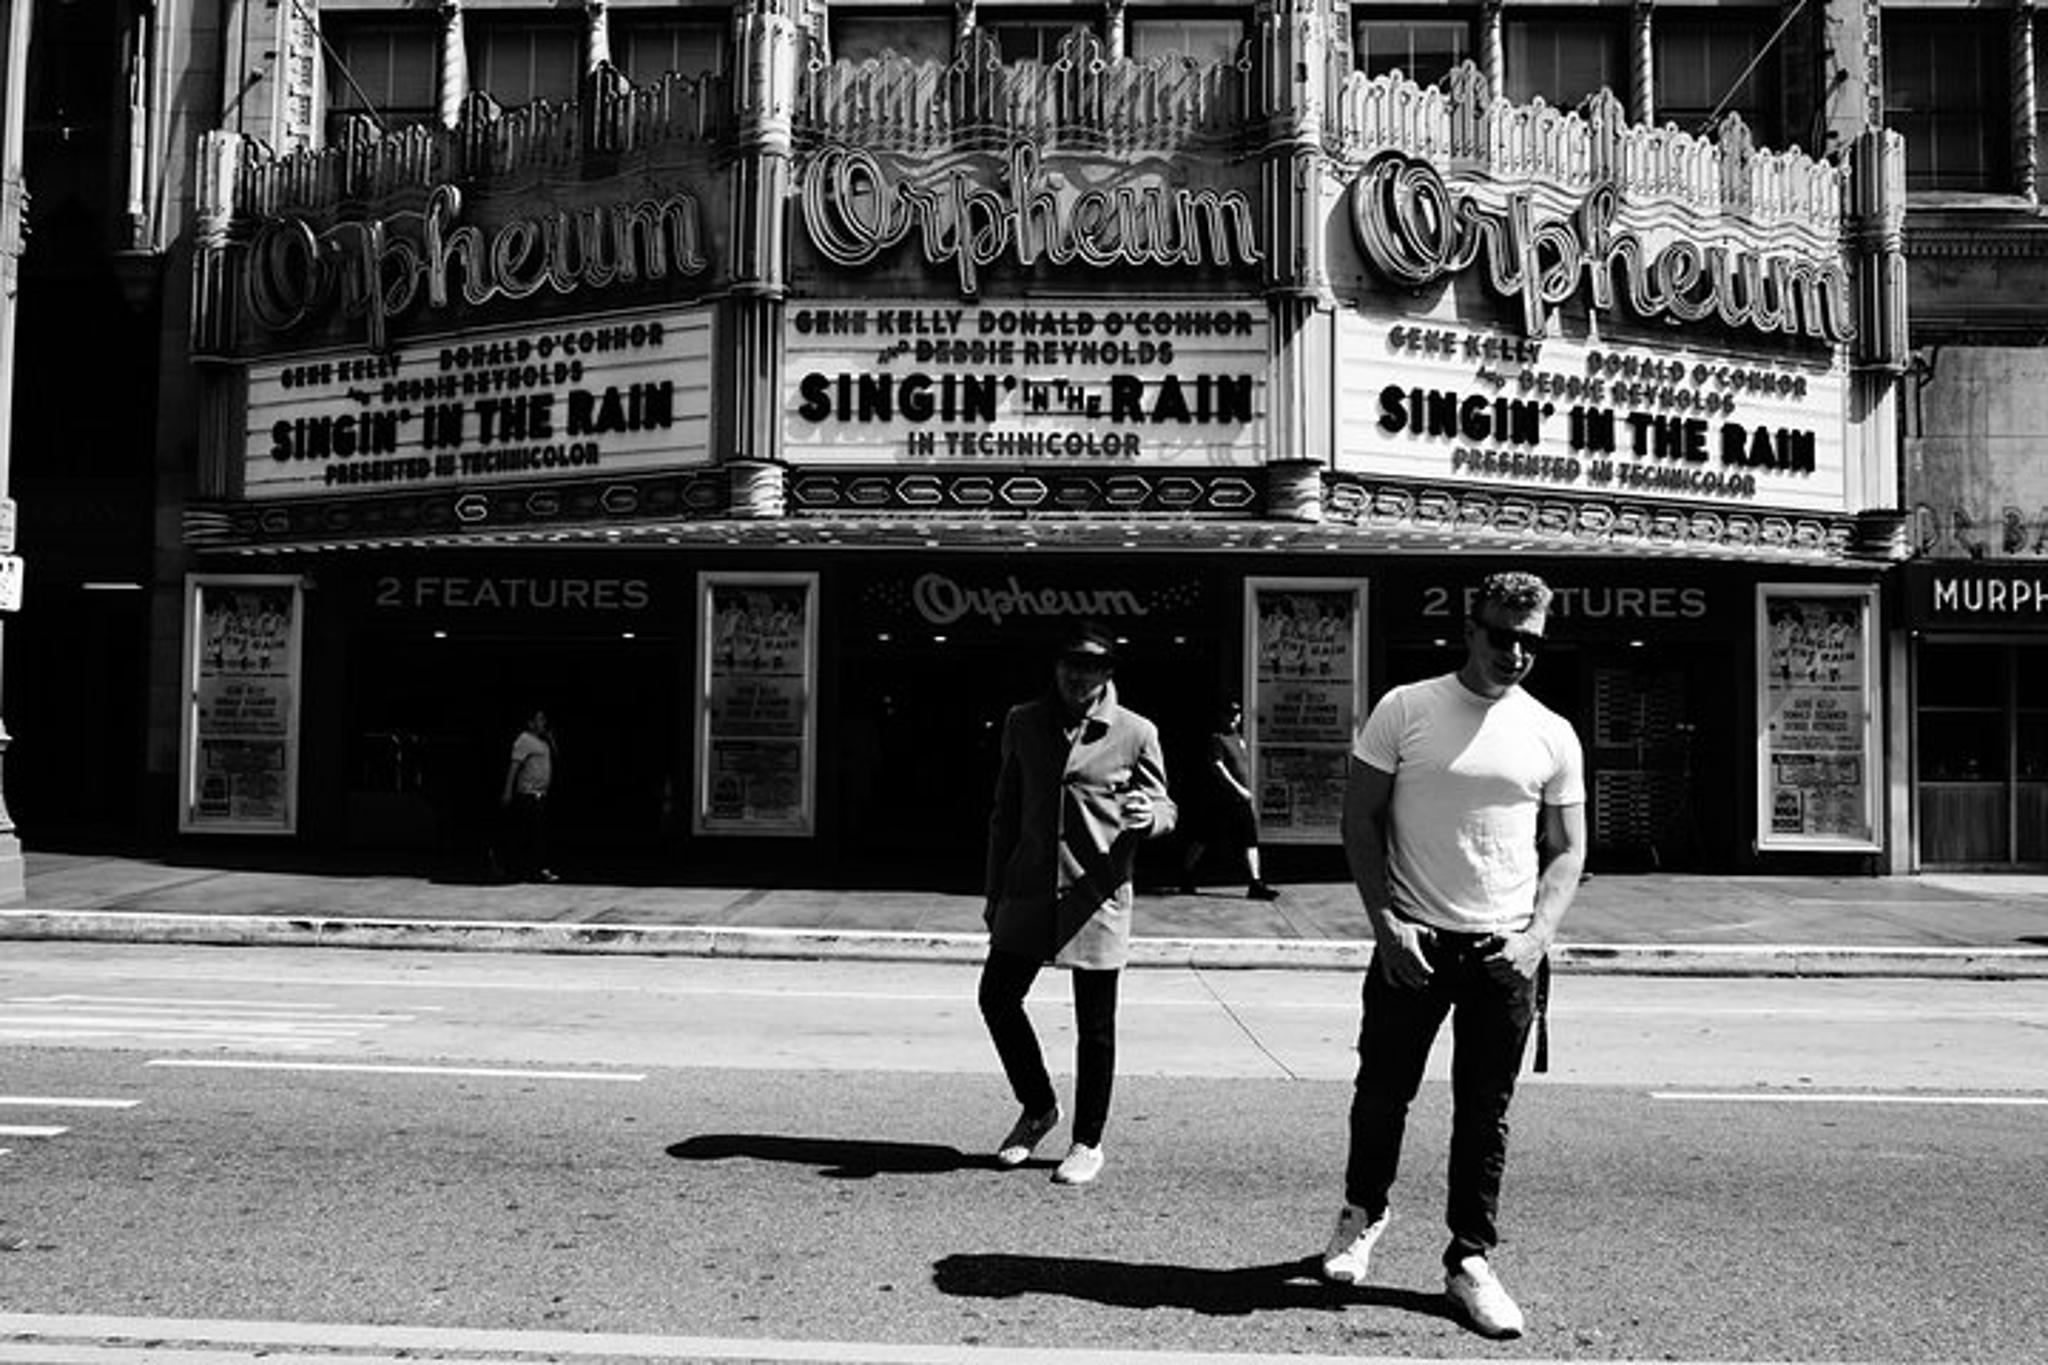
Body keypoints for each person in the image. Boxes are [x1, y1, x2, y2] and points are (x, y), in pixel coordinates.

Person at [1318, 571, 1586, 1339]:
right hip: (1414, 941)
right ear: (1470, 630)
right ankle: (1362, 1212)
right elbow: (1359, 820)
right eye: (1502, 635)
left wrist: (1536, 939)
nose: (1515, 652)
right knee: (1382, 1094)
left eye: (1530, 641)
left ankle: (1469, 1258)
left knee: (1484, 1113)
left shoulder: (1551, 731)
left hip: (1505, 952)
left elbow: (1568, 849)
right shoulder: (1407, 708)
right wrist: (1385, 923)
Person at [979, 621, 1176, 1187]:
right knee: (996, 998)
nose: (1076, 675)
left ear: (1107, 673)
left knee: (1095, 1026)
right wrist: (994, 893)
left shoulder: (1136, 732)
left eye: (1089, 666)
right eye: (1069, 663)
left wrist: (1150, 816)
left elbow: (1166, 805)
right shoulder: (1022, 722)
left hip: (1095, 895)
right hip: (1028, 890)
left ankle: (1088, 1140)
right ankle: (1039, 1106)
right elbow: (1005, 814)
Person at [1178, 699, 1278, 900]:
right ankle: (1185, 875)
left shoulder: (1239, 738)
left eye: (1236, 715)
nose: (1233, 719)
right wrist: (1238, 789)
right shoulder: (1217, 738)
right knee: (1203, 837)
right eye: (1229, 715)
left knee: (1250, 839)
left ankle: (1255, 883)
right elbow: (1218, 767)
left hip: (1241, 800)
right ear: (1222, 716)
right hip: (1222, 799)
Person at [500, 707, 559, 883]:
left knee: (539, 834)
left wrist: (551, 740)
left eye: (544, 719)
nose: (543, 723)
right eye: (539, 720)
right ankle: (524, 869)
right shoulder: (524, 740)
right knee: (528, 834)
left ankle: (537, 868)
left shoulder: (544, 742)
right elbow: (514, 766)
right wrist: (507, 791)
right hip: (528, 793)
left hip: (541, 794)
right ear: (530, 723)